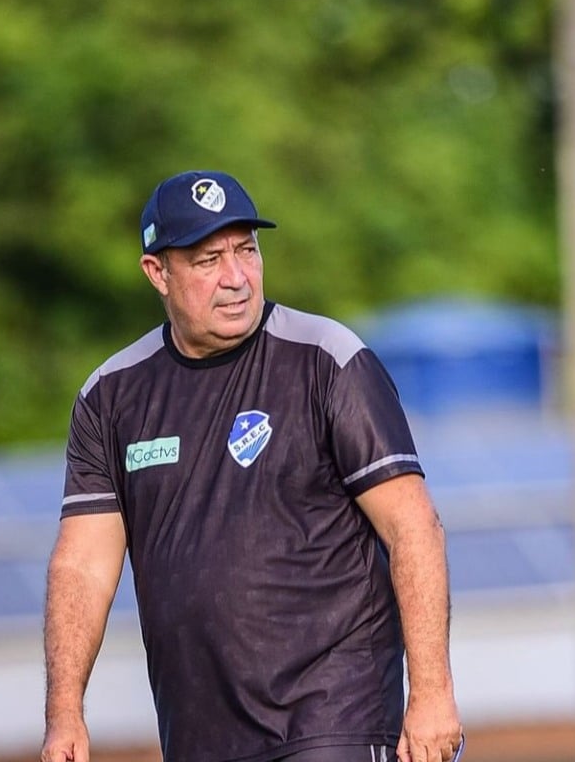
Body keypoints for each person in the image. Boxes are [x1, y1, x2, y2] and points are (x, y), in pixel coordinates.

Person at [41, 170, 462, 762]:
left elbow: (413, 526)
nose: (236, 277)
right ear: (158, 272)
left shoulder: (327, 361)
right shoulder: (112, 396)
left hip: (336, 716)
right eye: (208, 260)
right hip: (199, 735)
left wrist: (433, 693)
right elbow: (83, 564)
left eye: (246, 250)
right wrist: (64, 713)